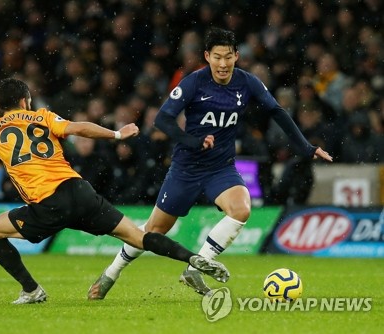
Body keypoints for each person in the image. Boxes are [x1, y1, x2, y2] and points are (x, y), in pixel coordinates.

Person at [0, 69, 229, 304]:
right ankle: (193, 258)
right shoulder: (44, 117)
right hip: (80, 191)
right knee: (138, 237)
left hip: (47, 204)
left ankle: (32, 290)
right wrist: (114, 134)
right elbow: (79, 127)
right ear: (25, 100)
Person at [87, 27, 333, 300]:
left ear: (237, 56)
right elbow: (163, 120)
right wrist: (192, 141)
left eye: (228, 56)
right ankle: (112, 272)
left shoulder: (247, 82)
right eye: (217, 57)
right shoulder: (194, 82)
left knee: (241, 209)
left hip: (221, 168)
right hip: (186, 169)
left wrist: (306, 148)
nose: (223, 63)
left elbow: (277, 111)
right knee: (154, 231)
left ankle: (196, 267)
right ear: (207, 56)